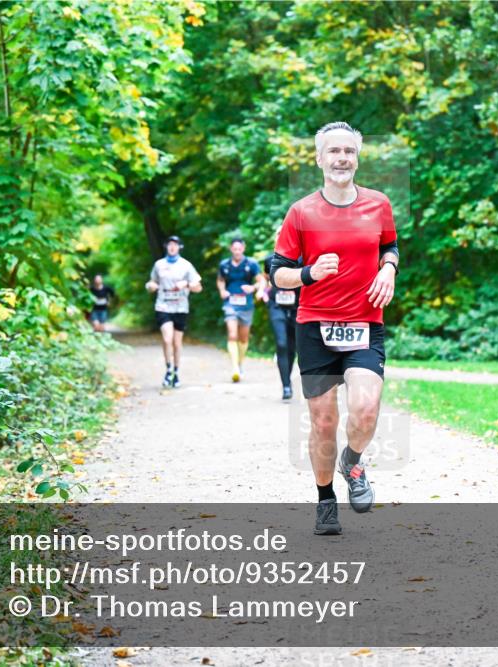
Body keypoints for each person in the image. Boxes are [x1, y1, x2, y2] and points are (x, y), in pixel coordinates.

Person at [271, 121, 399, 536]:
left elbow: (389, 246)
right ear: (319, 158)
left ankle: (354, 461)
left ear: (357, 157)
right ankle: (326, 500)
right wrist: (308, 273)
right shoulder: (301, 212)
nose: (342, 158)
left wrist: (389, 271)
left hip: (364, 323)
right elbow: (278, 274)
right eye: (334, 151)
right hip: (315, 328)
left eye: (349, 151)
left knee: (365, 409)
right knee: (323, 422)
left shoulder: (378, 204)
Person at [146, 236, 203, 388]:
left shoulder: (186, 265)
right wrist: (150, 286)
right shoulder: (159, 265)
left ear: (179, 247)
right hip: (163, 306)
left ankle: (176, 371)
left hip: (181, 307)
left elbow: (198, 287)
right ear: (166, 247)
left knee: (177, 343)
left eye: (175, 245)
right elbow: (152, 282)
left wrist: (187, 284)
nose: (172, 247)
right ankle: (168, 369)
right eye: (170, 244)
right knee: (167, 339)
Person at [216, 238, 264, 383]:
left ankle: (239, 363)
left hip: (246, 304)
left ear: (243, 248)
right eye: (234, 248)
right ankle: (235, 368)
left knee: (243, 338)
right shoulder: (224, 264)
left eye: (239, 248)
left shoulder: (251, 264)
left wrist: (255, 289)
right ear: (231, 249)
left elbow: (261, 281)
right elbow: (220, 280)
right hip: (230, 303)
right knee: (232, 334)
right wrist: (222, 291)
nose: (237, 251)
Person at [262, 244, 300, 401]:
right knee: (282, 344)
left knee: (292, 347)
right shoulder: (270, 259)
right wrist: (264, 292)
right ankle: (285, 386)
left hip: (297, 308)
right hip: (277, 307)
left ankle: (287, 380)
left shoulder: (300, 260)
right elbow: (265, 279)